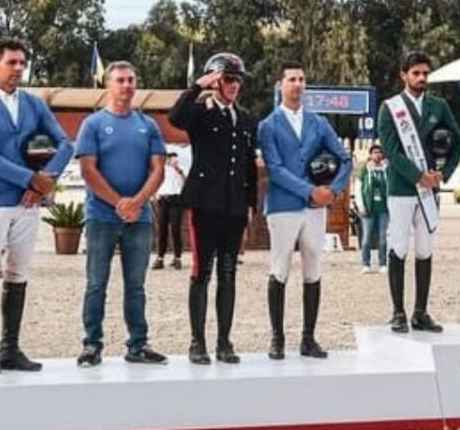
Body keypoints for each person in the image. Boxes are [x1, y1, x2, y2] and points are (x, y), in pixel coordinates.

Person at [0, 40, 71, 375]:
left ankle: (10, 348)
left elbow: (66, 143)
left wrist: (46, 180)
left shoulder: (34, 104)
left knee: (19, 272)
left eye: (23, 62)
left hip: (27, 203)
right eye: (12, 62)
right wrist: (31, 180)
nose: (19, 68)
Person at [73, 62, 169, 367]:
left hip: (138, 218)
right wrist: (119, 203)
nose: (127, 85)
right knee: (96, 283)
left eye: (131, 80)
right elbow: (88, 169)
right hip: (102, 216)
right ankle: (92, 344)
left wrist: (138, 202)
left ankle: (138, 344)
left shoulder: (149, 125)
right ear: (108, 85)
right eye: (120, 80)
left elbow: (158, 169)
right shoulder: (93, 124)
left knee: (136, 285)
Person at [257, 62, 352, 360]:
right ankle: (277, 338)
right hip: (284, 205)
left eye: (301, 79)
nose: (297, 84)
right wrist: (309, 190)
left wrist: (332, 190)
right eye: (291, 79)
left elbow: (344, 159)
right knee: (280, 268)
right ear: (280, 85)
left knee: (313, 268)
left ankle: (309, 338)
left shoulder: (319, 123)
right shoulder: (268, 125)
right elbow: (275, 168)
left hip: (315, 207)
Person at [169, 52, 259, 365]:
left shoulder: (245, 118)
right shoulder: (201, 112)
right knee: (201, 273)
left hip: (233, 207)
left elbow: (248, 165)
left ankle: (224, 340)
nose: (234, 85)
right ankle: (198, 342)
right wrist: (197, 86)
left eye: (238, 80)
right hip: (205, 205)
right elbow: (175, 118)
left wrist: (250, 206)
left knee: (229, 274)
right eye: (228, 79)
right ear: (215, 80)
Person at [375, 51, 460, 334]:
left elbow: (457, 140)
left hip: (429, 191)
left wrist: (444, 173)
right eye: (416, 73)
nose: (422, 78)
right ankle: (398, 311)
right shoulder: (390, 108)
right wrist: (418, 176)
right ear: (404, 75)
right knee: (398, 247)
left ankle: (420, 312)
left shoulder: (439, 105)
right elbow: (391, 149)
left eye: (425, 73)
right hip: (402, 188)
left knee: (425, 250)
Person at [151, 140, 189, 270]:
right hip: (163, 199)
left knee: (175, 229)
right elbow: (155, 182)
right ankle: (160, 257)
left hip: (176, 199)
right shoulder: (160, 169)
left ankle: (177, 257)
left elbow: (186, 182)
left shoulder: (181, 167)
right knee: (162, 229)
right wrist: (154, 195)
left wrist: (178, 169)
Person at [356, 145, 390, 273]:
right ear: (370, 155)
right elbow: (358, 188)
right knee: (366, 237)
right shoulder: (365, 170)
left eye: (380, 152)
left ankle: (383, 263)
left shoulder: (386, 169)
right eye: (375, 152)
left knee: (383, 237)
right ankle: (366, 263)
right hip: (368, 208)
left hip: (383, 208)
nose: (378, 155)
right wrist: (360, 206)